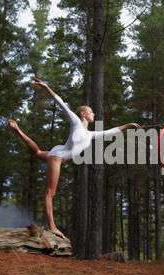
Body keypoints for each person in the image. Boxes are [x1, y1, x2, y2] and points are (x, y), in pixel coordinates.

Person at [9, 78, 139, 239]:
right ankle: (51, 227)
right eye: (91, 111)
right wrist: (46, 86)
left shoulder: (90, 134)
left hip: (58, 152)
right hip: (58, 156)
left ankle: (19, 132)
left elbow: (110, 132)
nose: (94, 113)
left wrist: (127, 125)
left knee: (38, 153)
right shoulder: (76, 121)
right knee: (50, 193)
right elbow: (60, 102)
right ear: (83, 114)